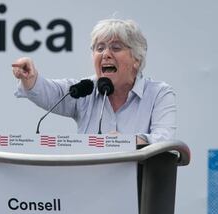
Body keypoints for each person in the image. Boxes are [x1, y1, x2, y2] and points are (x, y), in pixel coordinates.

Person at [12, 19, 176, 144]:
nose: (106, 54)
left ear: (137, 60)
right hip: (86, 184)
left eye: (116, 48)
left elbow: (164, 139)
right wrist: (30, 78)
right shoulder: (85, 89)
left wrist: (127, 143)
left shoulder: (159, 94)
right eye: (100, 48)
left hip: (140, 185)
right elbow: (51, 92)